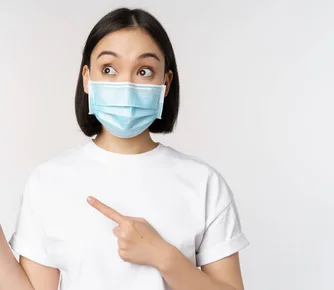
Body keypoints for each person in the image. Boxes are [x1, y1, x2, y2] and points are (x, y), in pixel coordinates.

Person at [0, 7, 249, 290]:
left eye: (144, 71)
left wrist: (165, 257)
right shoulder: (47, 181)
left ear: (165, 84)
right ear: (86, 78)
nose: (127, 85)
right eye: (108, 69)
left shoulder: (204, 184)